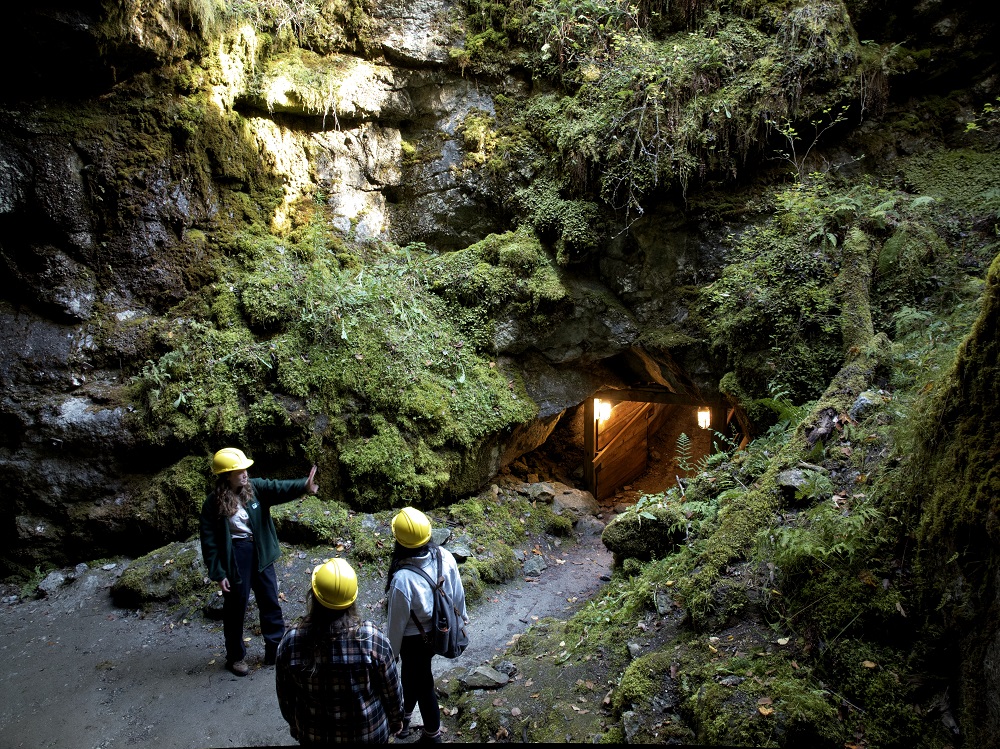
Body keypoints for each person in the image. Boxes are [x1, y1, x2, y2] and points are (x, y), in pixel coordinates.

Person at [199, 447, 319, 676]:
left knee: (269, 599)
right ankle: (235, 657)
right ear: (226, 475)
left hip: (260, 550)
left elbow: (278, 487)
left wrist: (304, 485)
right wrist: (219, 573)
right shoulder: (212, 503)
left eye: (245, 469)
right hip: (236, 555)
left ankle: (274, 650)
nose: (244, 473)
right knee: (235, 606)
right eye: (239, 471)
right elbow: (210, 541)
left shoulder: (255, 489)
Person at [276, 558, 404, 745]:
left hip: (314, 735)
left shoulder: (291, 642)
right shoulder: (372, 639)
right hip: (369, 734)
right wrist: (396, 719)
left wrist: (295, 725)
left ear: (314, 596)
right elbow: (392, 691)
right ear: (352, 600)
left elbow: (286, 697)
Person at [385, 507, 468, 744]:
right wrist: (462, 618)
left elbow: (396, 622)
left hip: (414, 639)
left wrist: (392, 653)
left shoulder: (402, 579)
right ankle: (404, 718)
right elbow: (457, 593)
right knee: (413, 674)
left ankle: (432, 734)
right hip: (441, 630)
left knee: (423, 682)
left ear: (399, 541)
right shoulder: (444, 556)